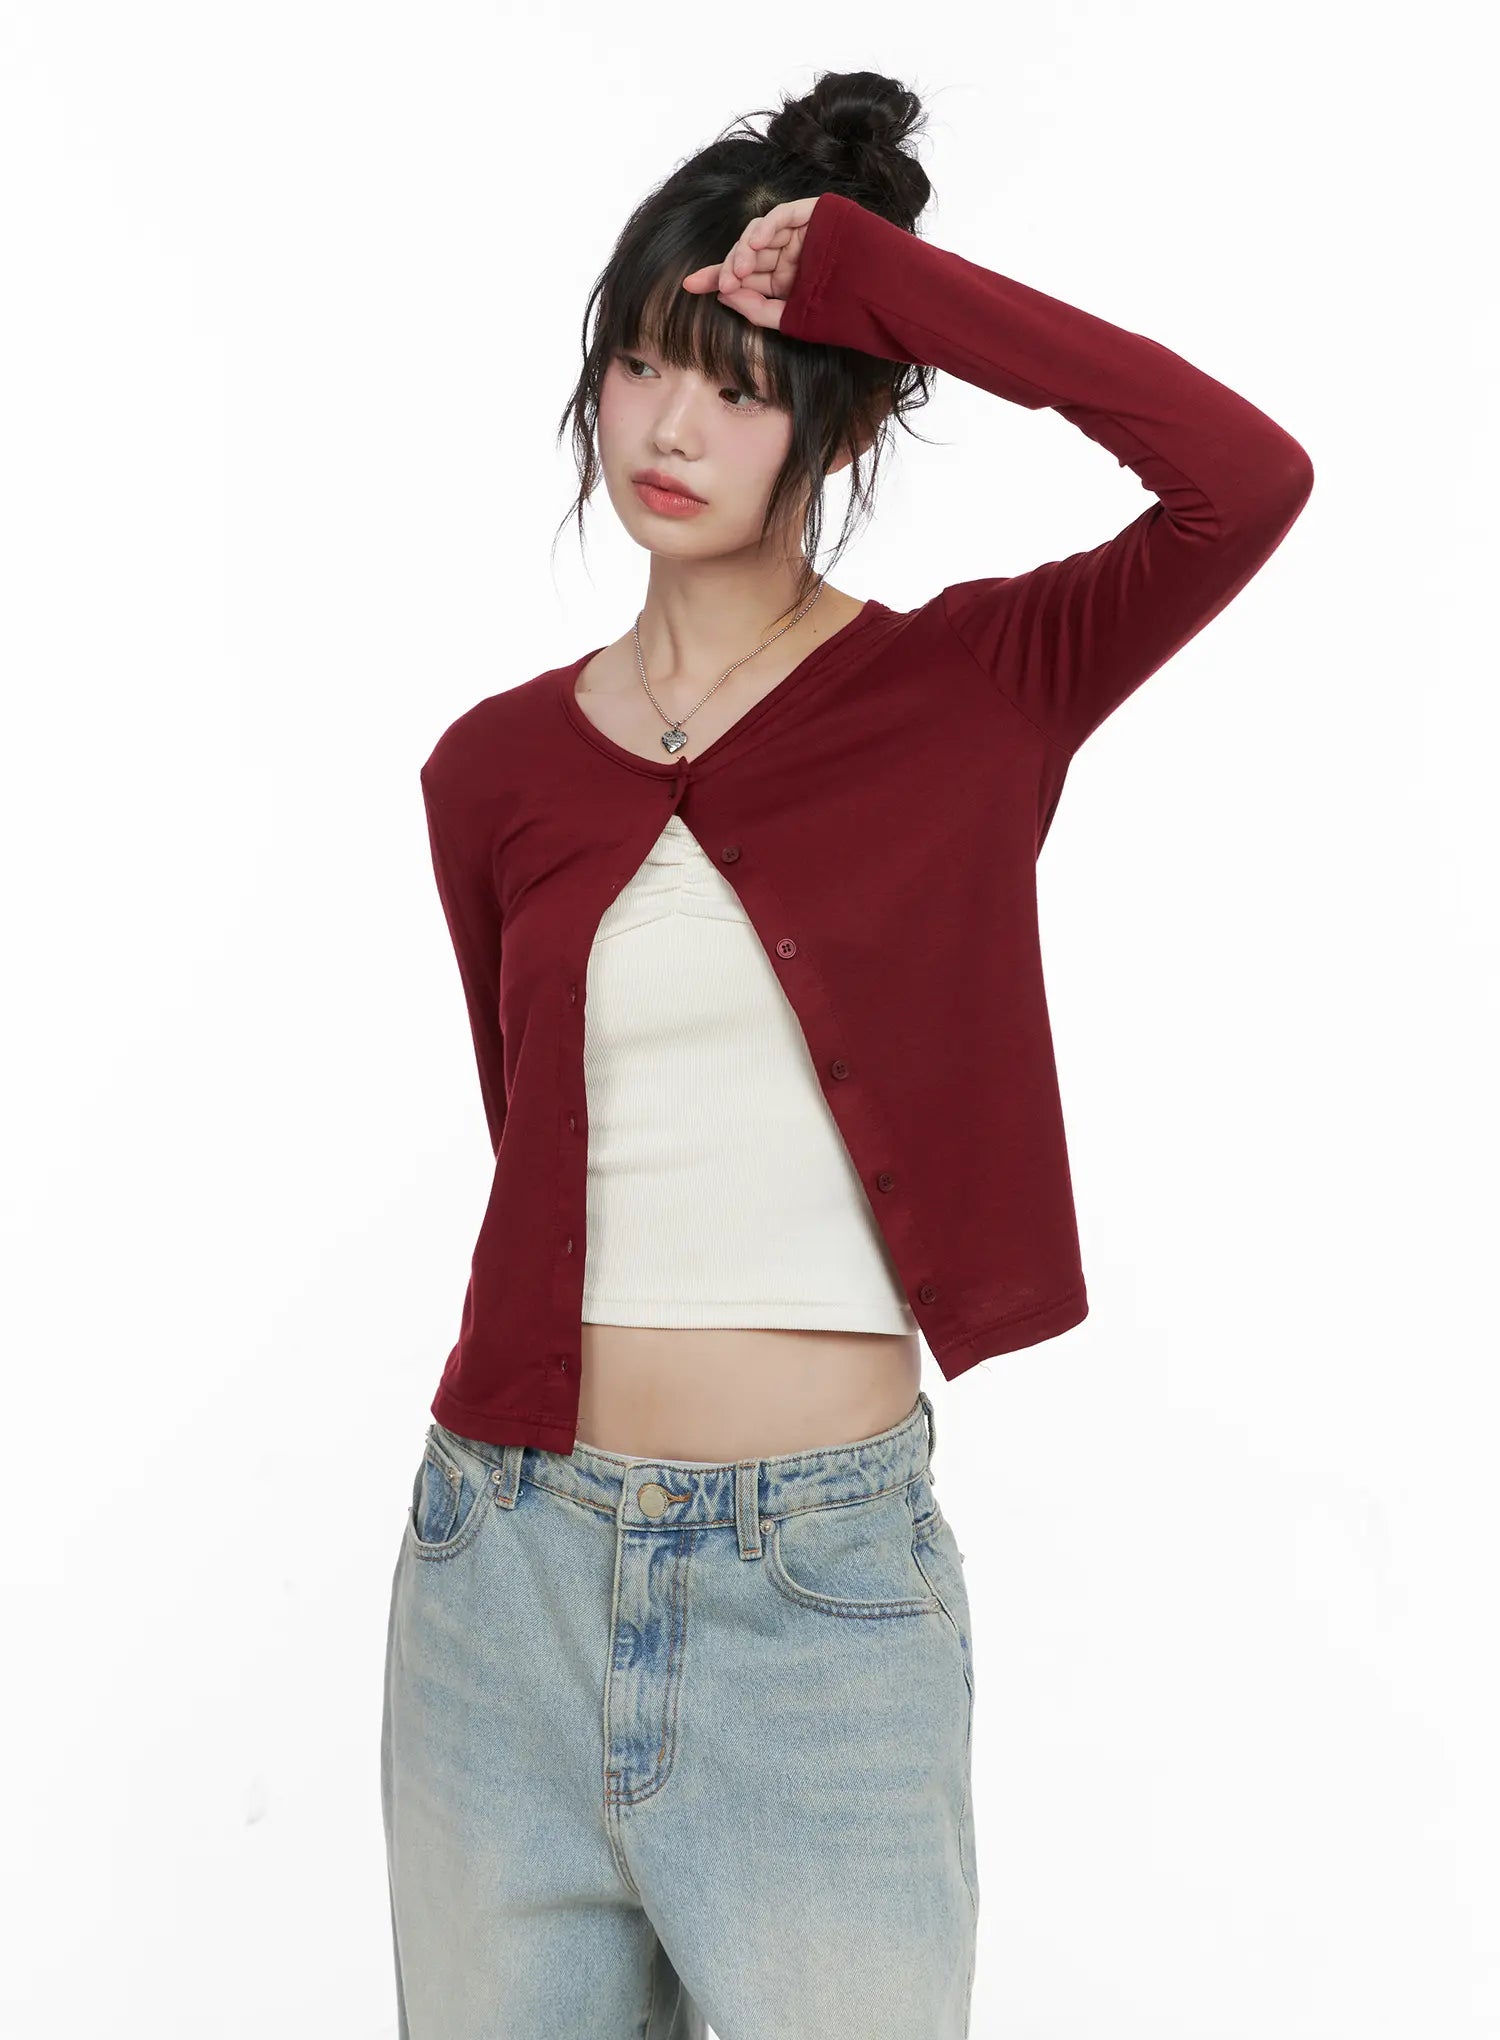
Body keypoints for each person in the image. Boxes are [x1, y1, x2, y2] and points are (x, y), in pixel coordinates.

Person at [381, 68, 1313, 2040]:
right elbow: (533, 1133)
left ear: (843, 415)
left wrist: (905, 293)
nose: (671, 426)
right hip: (500, 1569)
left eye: (737, 384)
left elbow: (1245, 480)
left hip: (820, 1601)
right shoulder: (491, 771)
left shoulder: (977, 690)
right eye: (642, 364)